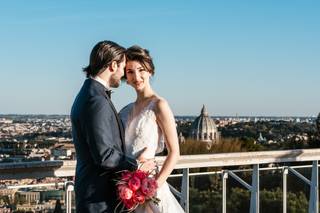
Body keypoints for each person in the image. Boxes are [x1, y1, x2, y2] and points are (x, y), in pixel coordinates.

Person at [71, 41, 155, 213]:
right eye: (123, 67)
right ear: (113, 65)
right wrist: (137, 166)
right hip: (98, 198)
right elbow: (105, 155)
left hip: (94, 193)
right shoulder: (96, 100)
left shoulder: (89, 94)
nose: (123, 74)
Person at [119, 45, 184, 212]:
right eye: (130, 72)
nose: (137, 76)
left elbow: (174, 153)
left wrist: (153, 187)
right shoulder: (125, 111)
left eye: (141, 70)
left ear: (150, 71)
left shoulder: (159, 105)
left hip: (151, 189)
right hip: (129, 192)